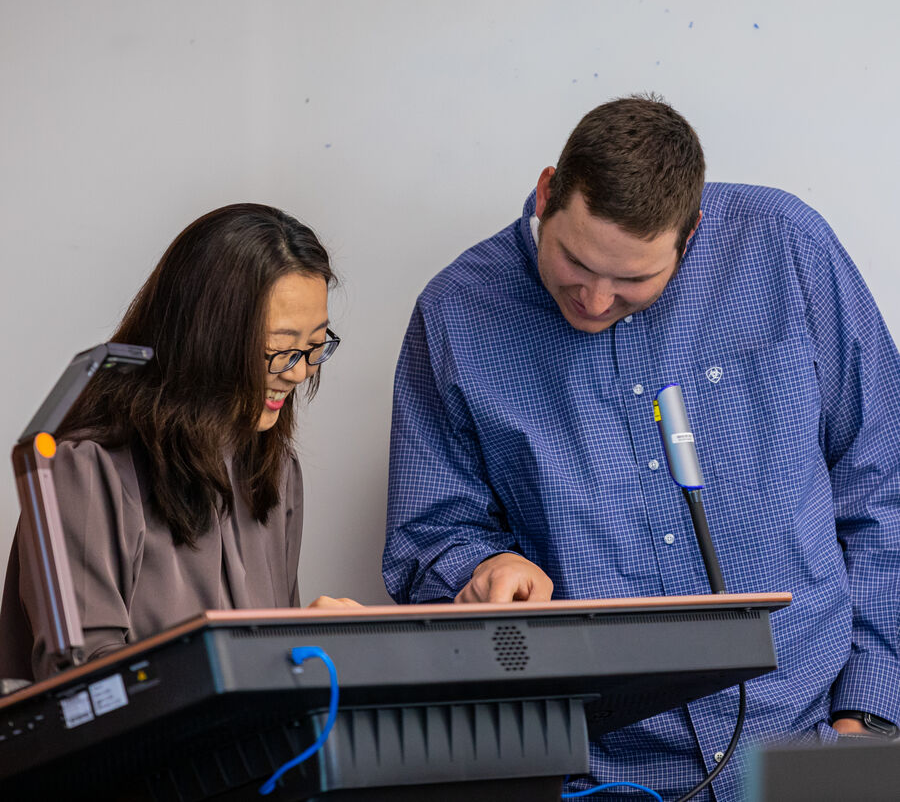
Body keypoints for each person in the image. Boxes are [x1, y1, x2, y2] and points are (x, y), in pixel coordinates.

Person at [383, 96, 900, 800]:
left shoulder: (787, 248)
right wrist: (483, 566)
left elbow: (884, 480)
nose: (595, 300)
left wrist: (867, 720)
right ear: (546, 192)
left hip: (813, 744)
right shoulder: (454, 314)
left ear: (689, 235)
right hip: (602, 773)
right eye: (573, 261)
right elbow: (428, 537)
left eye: (632, 282)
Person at [0, 203, 357, 684]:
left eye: (315, 346)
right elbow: (89, 692)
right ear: (205, 339)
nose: (298, 372)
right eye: (279, 348)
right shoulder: (87, 469)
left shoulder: (273, 469)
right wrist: (281, 650)